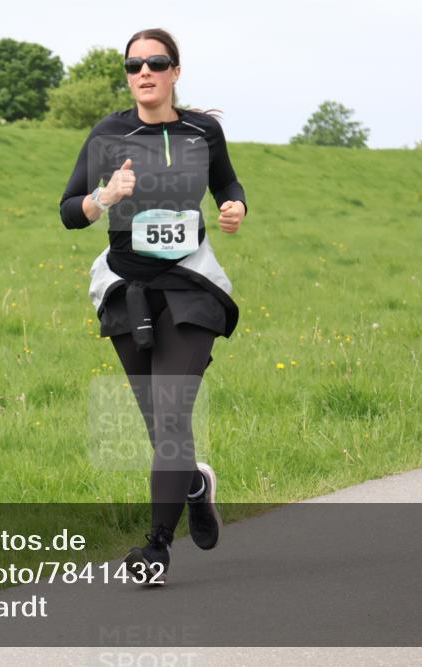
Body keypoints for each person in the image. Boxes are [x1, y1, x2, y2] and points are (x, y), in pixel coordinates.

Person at [59, 28, 248, 585]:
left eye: (157, 62)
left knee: (170, 411)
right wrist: (104, 198)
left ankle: (157, 548)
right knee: (158, 423)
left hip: (190, 285)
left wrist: (235, 205)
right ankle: (193, 485)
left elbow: (227, 183)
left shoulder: (202, 131)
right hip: (128, 286)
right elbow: (70, 211)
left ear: (175, 72)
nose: (145, 72)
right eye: (134, 65)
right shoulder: (108, 133)